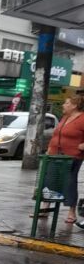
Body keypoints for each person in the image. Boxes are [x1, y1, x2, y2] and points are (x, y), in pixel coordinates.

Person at [47, 95, 84, 224]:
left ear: (74, 105)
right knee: (50, 180)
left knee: (69, 182)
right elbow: (56, 135)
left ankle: (71, 212)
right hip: (55, 155)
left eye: (66, 103)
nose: (63, 105)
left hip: (72, 156)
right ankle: (45, 208)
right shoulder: (65, 117)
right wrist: (49, 148)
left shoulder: (82, 119)